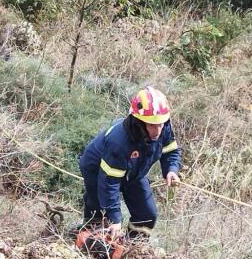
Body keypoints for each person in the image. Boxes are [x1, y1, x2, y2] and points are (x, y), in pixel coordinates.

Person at [78, 86, 182, 240]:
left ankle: (132, 247)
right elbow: (109, 182)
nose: (158, 131)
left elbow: (171, 151)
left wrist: (171, 170)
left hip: (134, 173)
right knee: (101, 217)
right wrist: (115, 219)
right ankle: (90, 248)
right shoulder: (119, 141)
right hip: (98, 171)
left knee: (147, 214)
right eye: (152, 125)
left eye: (160, 124)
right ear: (139, 121)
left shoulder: (163, 127)